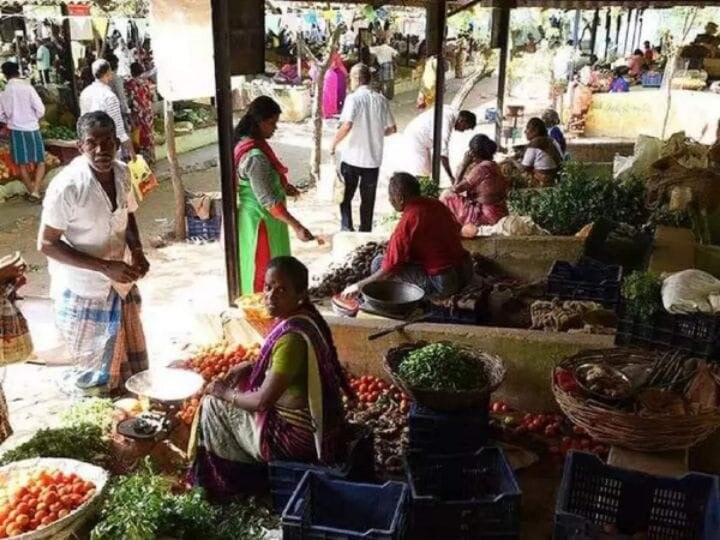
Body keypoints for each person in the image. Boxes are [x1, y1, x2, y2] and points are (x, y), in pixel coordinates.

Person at [191, 256, 351, 500]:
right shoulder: (305, 319)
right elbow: (287, 369)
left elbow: (262, 402)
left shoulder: (291, 339)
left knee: (212, 405)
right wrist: (251, 365)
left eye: (282, 289)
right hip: (323, 429)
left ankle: (235, 484)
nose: (271, 295)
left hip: (296, 441)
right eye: (268, 287)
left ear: (300, 294)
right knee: (233, 393)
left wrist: (223, 392)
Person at [37, 111, 149, 395]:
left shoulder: (123, 172)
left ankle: (127, 406)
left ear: (116, 142)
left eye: (108, 142)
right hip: (83, 289)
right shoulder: (67, 186)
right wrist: (103, 266)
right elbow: (46, 244)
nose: (101, 150)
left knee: (128, 365)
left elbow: (128, 215)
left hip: (119, 282)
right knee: (92, 375)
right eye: (92, 143)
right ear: (80, 145)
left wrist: (137, 251)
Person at [343, 173, 473, 298]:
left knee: (377, 264)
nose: (389, 200)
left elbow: (388, 270)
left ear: (400, 198)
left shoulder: (409, 220)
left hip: (444, 284)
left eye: (391, 196)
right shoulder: (436, 204)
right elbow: (452, 233)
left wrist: (359, 286)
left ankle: (427, 299)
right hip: (466, 271)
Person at [235, 96, 317, 295]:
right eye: (272, 123)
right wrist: (297, 226)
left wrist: (284, 187)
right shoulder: (254, 157)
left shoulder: (251, 144)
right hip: (260, 223)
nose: (275, 128)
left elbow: (265, 181)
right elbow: (269, 201)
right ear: (259, 122)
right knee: (264, 273)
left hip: (262, 219)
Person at [331, 63, 396, 232]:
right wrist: (375, 134)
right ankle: (365, 230)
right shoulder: (381, 99)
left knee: (345, 197)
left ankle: (347, 228)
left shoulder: (353, 98)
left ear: (356, 79)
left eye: (350, 78)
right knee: (368, 200)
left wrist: (333, 144)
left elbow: (346, 125)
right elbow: (392, 129)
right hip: (373, 160)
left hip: (352, 158)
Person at [0, 62, 46, 202]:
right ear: (18, 72)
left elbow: (1, 115)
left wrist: (11, 120)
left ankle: (33, 192)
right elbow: (41, 109)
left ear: (5, 75)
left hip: (16, 131)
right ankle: (36, 191)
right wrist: (32, 118)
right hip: (32, 128)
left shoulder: (4, 93)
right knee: (41, 161)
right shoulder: (28, 88)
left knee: (21, 164)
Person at [441, 134, 509, 226]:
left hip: (485, 216)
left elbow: (455, 189)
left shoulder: (481, 169)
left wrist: (464, 165)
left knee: (446, 195)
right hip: (500, 211)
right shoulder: (494, 166)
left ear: (473, 152)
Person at [80, 59, 135, 160]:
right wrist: (132, 152)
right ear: (108, 73)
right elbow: (119, 130)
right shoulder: (109, 96)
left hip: (91, 146)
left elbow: (82, 122)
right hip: (107, 146)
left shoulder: (84, 94)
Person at [404, 106, 477, 182]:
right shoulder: (446, 122)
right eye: (465, 127)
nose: (463, 131)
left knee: (427, 170)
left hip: (421, 136)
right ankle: (421, 190)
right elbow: (442, 153)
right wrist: (451, 177)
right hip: (416, 137)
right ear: (462, 121)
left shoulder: (452, 113)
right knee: (422, 171)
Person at [125, 62, 155, 164]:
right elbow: (151, 96)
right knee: (149, 134)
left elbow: (129, 100)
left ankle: (142, 161)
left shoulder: (130, 84)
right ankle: (150, 157)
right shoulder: (147, 82)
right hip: (148, 111)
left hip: (138, 114)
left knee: (139, 136)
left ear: (132, 72)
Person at [521, 117, 564, 187]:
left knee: (509, 168)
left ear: (535, 131)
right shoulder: (552, 140)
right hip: (556, 177)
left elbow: (524, 168)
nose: (525, 131)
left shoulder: (535, 143)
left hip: (542, 180)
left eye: (527, 128)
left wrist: (512, 161)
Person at [105, 54, 131, 131]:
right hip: (117, 112)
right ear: (116, 65)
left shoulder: (101, 79)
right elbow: (121, 96)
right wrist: (126, 111)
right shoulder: (116, 78)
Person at [321, 52, 347, 119]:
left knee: (329, 95)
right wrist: (347, 75)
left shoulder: (329, 55)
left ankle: (329, 111)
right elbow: (339, 65)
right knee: (333, 95)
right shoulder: (334, 55)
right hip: (332, 77)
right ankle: (333, 111)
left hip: (330, 76)